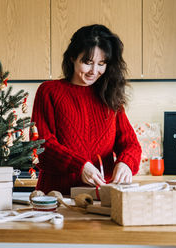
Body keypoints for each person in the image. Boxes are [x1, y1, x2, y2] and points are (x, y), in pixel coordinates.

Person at [31, 24, 141, 195]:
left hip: (101, 199)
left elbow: (130, 144)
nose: (94, 71)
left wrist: (125, 163)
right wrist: (79, 165)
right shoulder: (49, 91)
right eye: (87, 62)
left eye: (101, 63)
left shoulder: (110, 95)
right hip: (56, 198)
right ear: (72, 57)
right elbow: (41, 146)